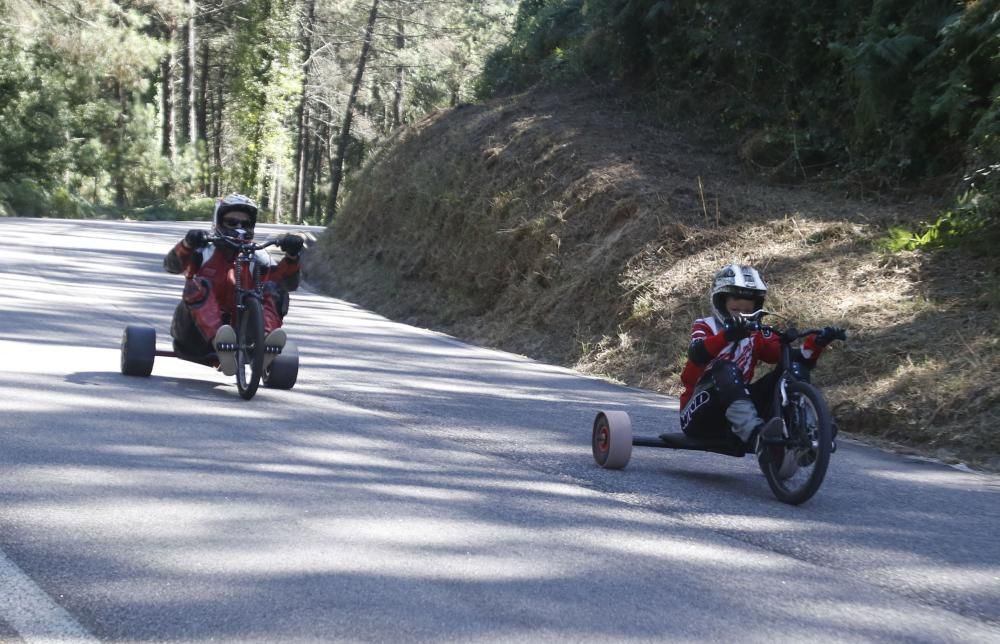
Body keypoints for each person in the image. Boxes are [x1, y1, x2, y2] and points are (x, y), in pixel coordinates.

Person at [677, 263, 845, 456]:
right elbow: (697, 353)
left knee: (793, 368)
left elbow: (784, 356)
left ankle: (808, 431)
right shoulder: (705, 326)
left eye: (748, 305)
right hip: (701, 413)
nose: (742, 310)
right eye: (735, 304)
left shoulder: (757, 334)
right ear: (720, 301)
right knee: (725, 368)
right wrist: (728, 335)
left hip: (737, 408)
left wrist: (816, 343)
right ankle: (755, 436)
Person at [163, 193, 305, 376]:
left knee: (274, 289)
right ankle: (220, 343)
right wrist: (187, 244)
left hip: (243, 338)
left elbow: (287, 285)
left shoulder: (258, 257)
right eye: (232, 222)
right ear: (219, 222)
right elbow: (172, 266)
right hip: (193, 337)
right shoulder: (203, 250)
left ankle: (265, 343)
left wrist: (292, 257)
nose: (239, 228)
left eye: (245, 224)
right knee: (197, 285)